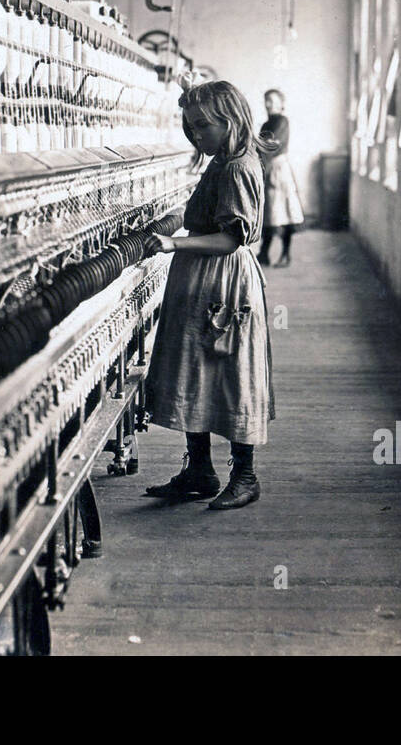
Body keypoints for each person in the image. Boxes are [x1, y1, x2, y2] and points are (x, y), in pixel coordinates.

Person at [142, 80, 276, 510]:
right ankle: (199, 470)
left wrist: (172, 243)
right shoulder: (224, 161)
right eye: (190, 126)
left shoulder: (236, 167)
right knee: (194, 371)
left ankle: (246, 475)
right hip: (203, 281)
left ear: (231, 120)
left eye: (203, 126)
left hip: (223, 281)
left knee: (232, 374)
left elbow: (230, 239)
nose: (196, 134)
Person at [256, 88, 305, 268]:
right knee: (270, 212)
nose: (268, 104)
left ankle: (285, 254)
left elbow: (271, 145)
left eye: (272, 100)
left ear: (281, 103)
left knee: (284, 212)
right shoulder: (265, 124)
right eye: (266, 100)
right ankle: (264, 253)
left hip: (278, 170)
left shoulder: (282, 121)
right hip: (268, 169)